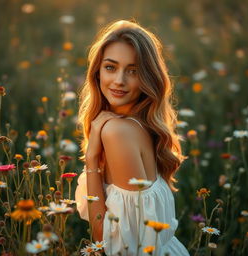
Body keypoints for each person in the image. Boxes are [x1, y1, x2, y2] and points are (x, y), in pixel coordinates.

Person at [75, 20, 190, 256]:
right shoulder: (142, 123)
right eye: (110, 67)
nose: (119, 80)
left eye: (133, 71)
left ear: (148, 77)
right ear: (97, 72)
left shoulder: (116, 131)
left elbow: (107, 239)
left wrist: (92, 159)